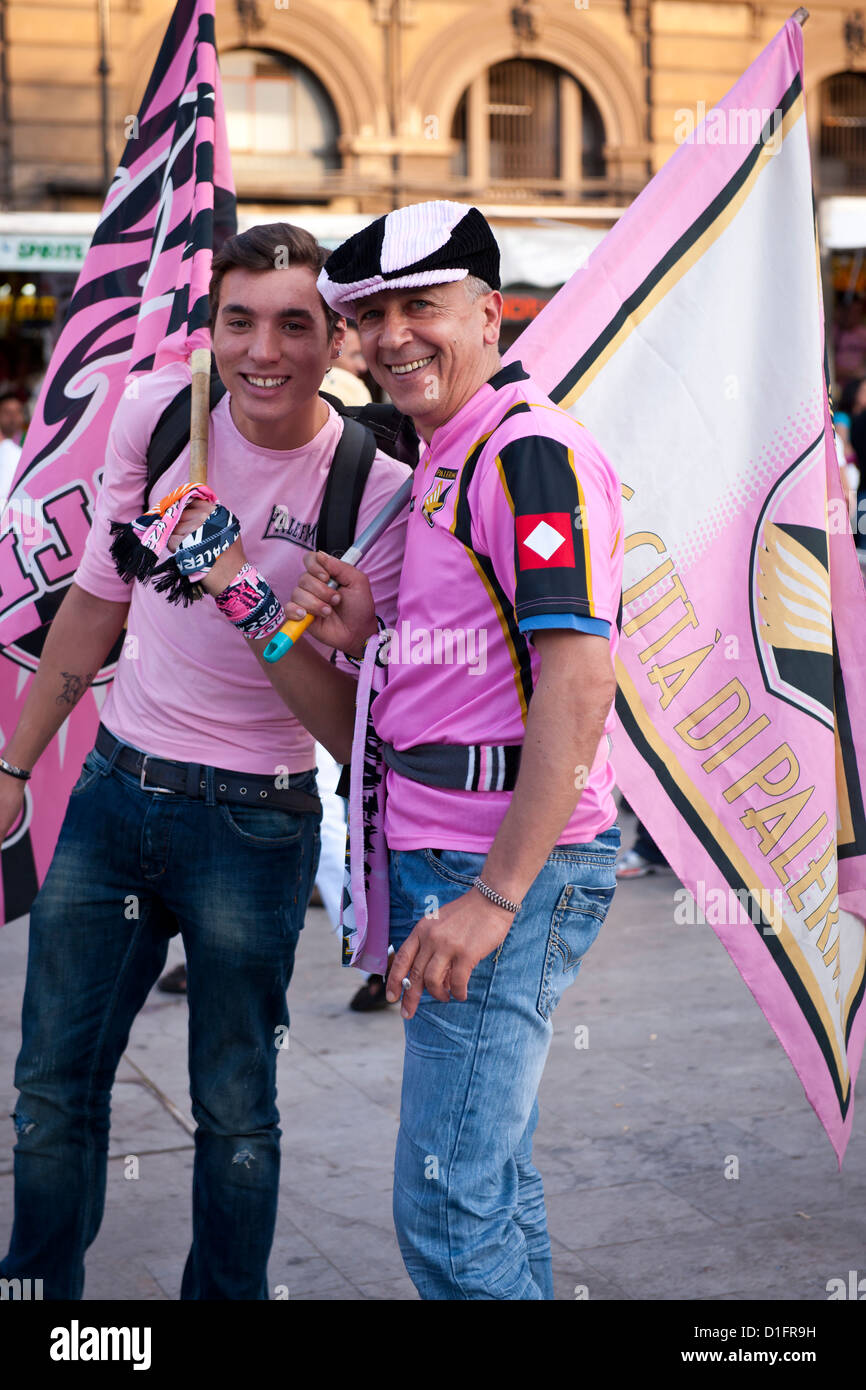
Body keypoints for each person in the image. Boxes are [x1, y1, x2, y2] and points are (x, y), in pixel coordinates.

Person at [184, 201, 624, 1299]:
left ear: (489, 313)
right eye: (370, 314)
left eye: (419, 307)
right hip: (444, 853)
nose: (390, 337)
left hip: (497, 865)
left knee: (443, 1201)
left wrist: (494, 896)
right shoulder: (444, 455)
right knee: (492, 1176)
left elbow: (578, 678)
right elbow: (460, 670)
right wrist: (357, 632)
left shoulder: (522, 453)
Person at [0, 222, 409, 1300]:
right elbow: (96, 602)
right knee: (51, 1085)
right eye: (239, 321)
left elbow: (342, 725)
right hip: (113, 794)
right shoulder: (156, 419)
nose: (262, 350)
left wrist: (244, 591)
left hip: (257, 822)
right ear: (210, 328)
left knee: (234, 1107)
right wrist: (13, 764)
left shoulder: (373, 486)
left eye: (292, 325)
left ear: (336, 343)